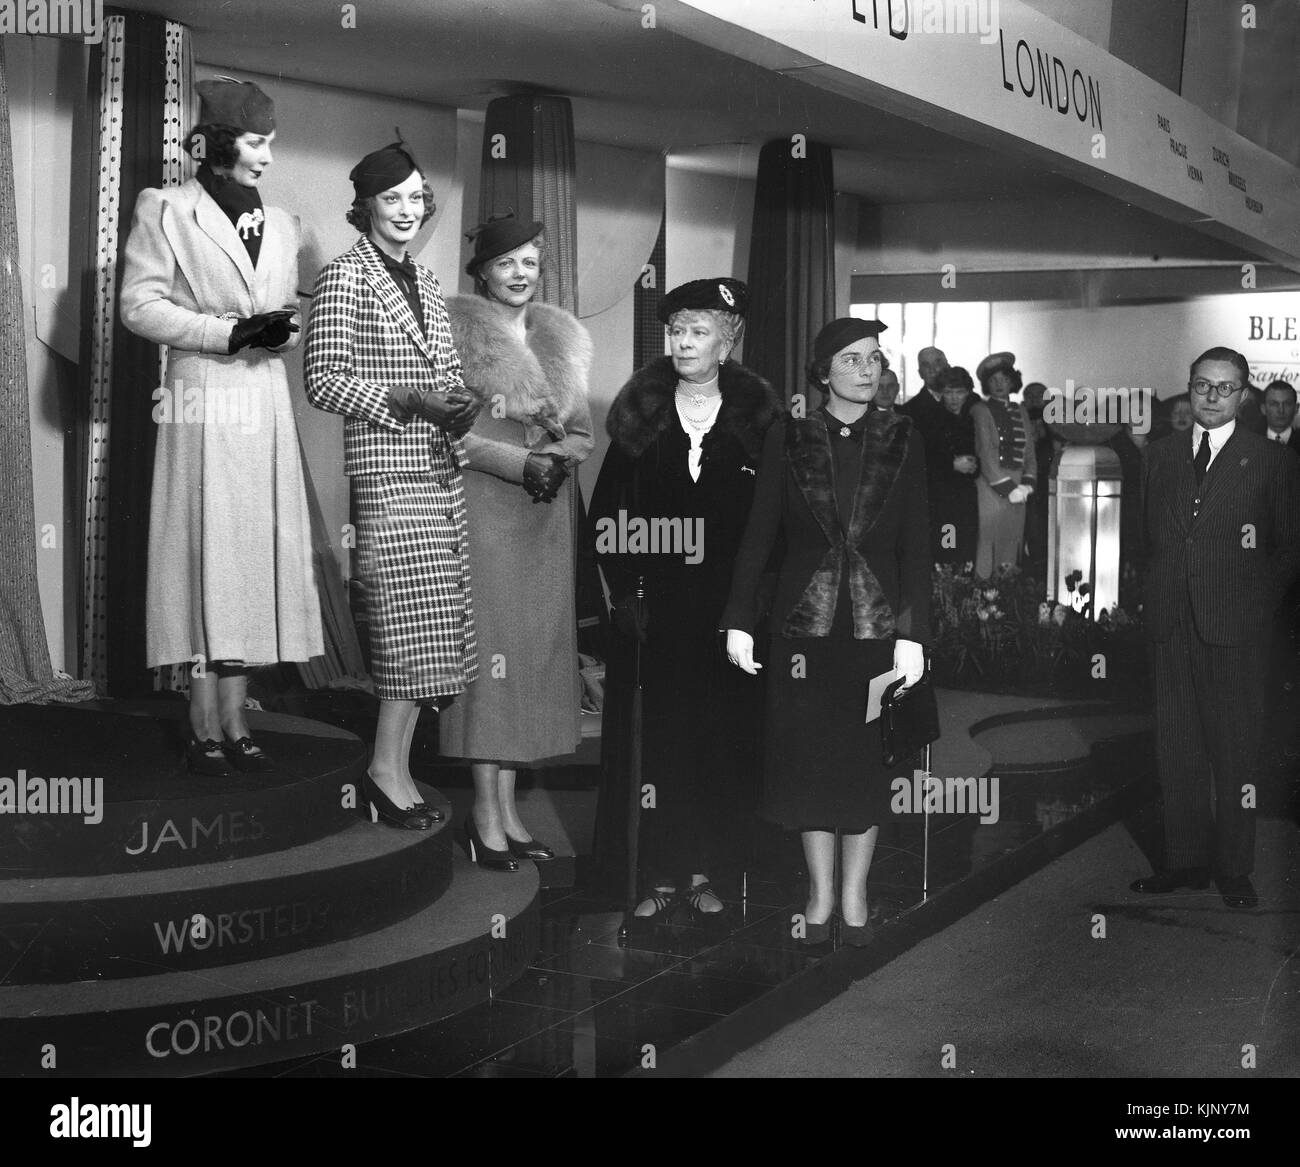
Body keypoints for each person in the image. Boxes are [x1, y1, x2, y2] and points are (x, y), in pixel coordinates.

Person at [120, 77, 322, 776]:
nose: (267, 155)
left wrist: (278, 334)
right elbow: (139, 307)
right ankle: (203, 721)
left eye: (270, 141)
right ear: (219, 143)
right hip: (203, 397)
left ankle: (238, 720)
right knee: (205, 559)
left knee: (251, 566)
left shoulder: (289, 224)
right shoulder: (167, 208)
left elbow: (289, 318)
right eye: (257, 141)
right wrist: (228, 332)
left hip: (264, 401)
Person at [723, 317, 930, 947]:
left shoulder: (904, 435)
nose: (868, 370)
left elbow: (918, 543)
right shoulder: (788, 435)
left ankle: (856, 896)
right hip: (802, 629)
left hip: (877, 628)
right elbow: (760, 534)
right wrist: (737, 621)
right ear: (822, 373)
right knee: (807, 762)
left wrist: (915, 634)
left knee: (866, 760)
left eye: (874, 358)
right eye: (852, 360)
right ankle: (818, 895)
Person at [589, 278, 779, 920]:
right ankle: (654, 874)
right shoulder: (642, 412)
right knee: (659, 744)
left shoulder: (761, 421)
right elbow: (607, 515)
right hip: (656, 611)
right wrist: (626, 592)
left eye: (699, 332)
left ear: (728, 341)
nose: (685, 343)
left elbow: (775, 524)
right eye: (676, 331)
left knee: (718, 742)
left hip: (732, 615)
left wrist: (753, 607)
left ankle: (706, 870)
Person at [304, 139, 479, 830]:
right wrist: (410, 399)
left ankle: (396, 768)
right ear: (366, 207)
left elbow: (446, 373)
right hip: (387, 473)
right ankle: (382, 770)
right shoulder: (346, 277)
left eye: (415, 198)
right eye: (392, 199)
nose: (406, 211)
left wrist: (457, 398)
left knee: (432, 635)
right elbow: (323, 378)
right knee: (405, 634)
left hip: (437, 470)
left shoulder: (429, 282)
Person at [437, 214, 594, 870]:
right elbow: (448, 433)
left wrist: (560, 455)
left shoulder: (561, 335)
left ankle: (506, 814)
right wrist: (520, 464)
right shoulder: (451, 329)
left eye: (530, 260)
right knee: (493, 666)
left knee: (528, 662)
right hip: (488, 512)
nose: (521, 272)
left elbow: (582, 427)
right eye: (507, 262)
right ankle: (483, 816)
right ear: (482, 271)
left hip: (546, 516)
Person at [1132, 346, 1300, 909]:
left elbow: (1288, 548)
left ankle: (1234, 869)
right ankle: (1183, 863)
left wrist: (1257, 608)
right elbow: (1144, 540)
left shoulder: (1272, 460)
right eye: (1202, 385)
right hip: (1171, 626)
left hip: (1236, 630)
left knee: (1234, 753)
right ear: (1189, 386)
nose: (1211, 397)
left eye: (1225, 388)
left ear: (1244, 396)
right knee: (1176, 749)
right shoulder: (1159, 455)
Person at [972, 351, 1037, 577]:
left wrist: (1028, 484)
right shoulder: (980, 410)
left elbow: (1029, 452)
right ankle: (983, 598)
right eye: (993, 380)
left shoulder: (1021, 411)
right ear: (986, 385)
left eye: (1004, 379)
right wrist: (1009, 488)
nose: (999, 384)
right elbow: (986, 454)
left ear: (1012, 381)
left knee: (1013, 538)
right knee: (988, 538)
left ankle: (1008, 597)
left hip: (1019, 487)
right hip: (992, 487)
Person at [900, 345, 950, 558]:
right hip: (930, 497)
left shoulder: (967, 402)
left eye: (938, 362)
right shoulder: (910, 412)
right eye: (926, 366)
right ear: (920, 373)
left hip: (963, 497)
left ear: (947, 364)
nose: (933, 369)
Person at [933, 366, 980, 565]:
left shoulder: (976, 418)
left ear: (968, 393)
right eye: (949, 392)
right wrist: (951, 464)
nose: (954, 398)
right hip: (944, 500)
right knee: (948, 548)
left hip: (970, 496)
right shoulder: (932, 420)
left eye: (959, 392)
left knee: (968, 548)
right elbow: (925, 459)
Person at [1263, 379, 1300, 455]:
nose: (1281, 410)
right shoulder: (1248, 442)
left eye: (1287, 404)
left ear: (1296, 408)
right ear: (1263, 409)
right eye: (1274, 404)